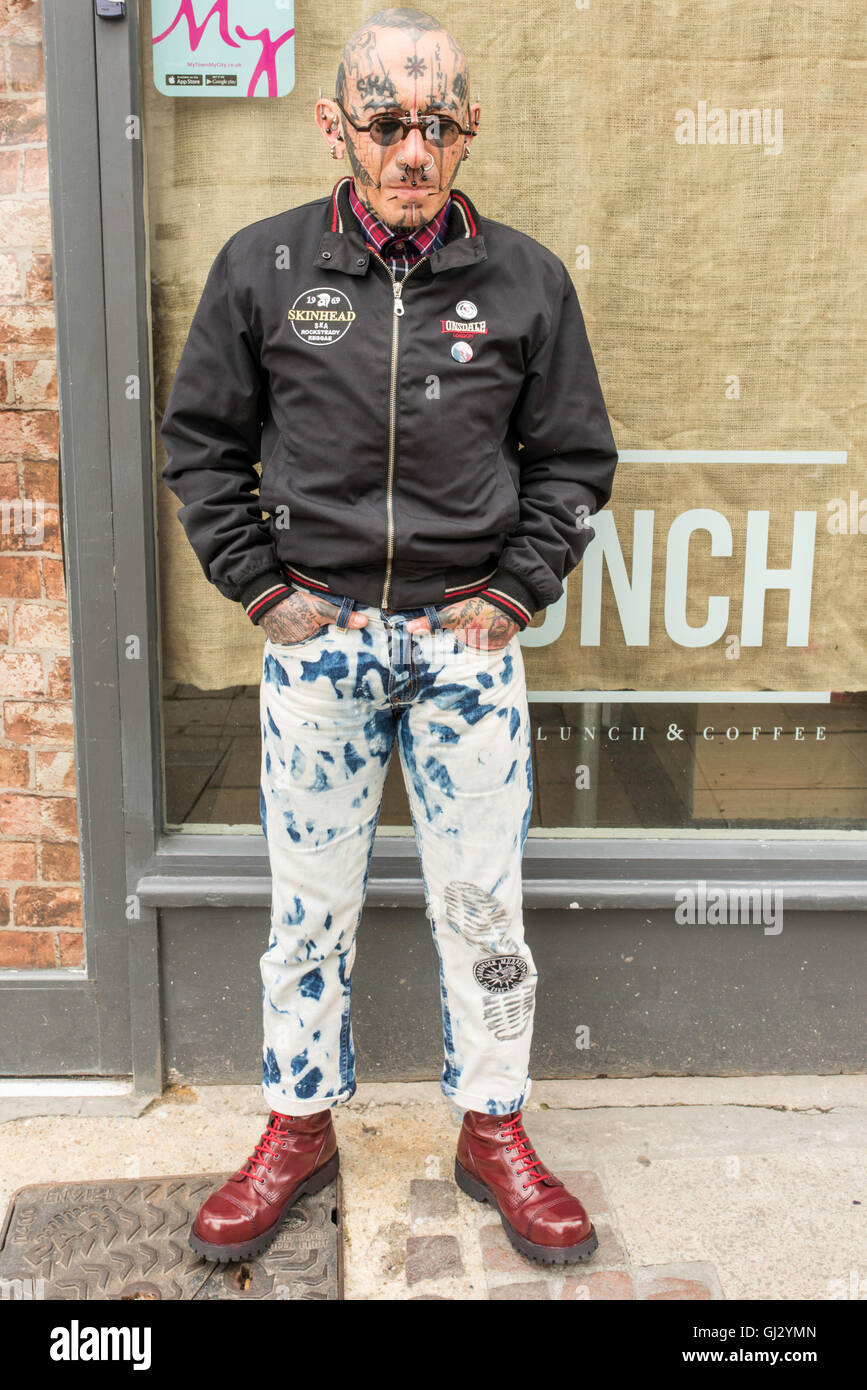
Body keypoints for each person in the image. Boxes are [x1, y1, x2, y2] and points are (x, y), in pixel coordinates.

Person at [160, 5, 618, 1269]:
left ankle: (493, 1128)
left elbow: (575, 460)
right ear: (335, 127)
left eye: (437, 124)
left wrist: (511, 595)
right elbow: (201, 446)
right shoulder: (264, 267)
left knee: (486, 907)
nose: (412, 151)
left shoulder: (526, 279)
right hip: (318, 645)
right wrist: (262, 591)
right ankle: (297, 1129)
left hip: (467, 650)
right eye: (385, 122)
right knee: (307, 912)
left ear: (468, 129)